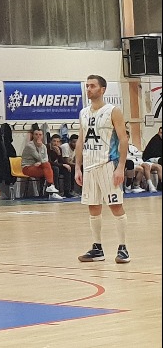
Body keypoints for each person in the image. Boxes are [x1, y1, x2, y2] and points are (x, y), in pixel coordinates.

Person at [75, 75, 130, 264]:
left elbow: (123, 139)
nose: (88, 89)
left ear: (103, 89)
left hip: (108, 164)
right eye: (87, 86)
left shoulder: (113, 111)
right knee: (93, 207)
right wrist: (77, 167)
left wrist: (120, 167)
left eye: (92, 86)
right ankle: (97, 248)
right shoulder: (83, 113)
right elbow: (80, 140)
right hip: (89, 167)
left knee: (115, 206)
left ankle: (123, 248)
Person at [21, 130, 65, 199]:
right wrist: (40, 148)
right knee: (49, 169)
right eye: (36, 134)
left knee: (49, 167)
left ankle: (51, 189)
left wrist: (41, 162)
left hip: (38, 167)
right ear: (33, 136)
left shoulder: (43, 146)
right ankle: (51, 189)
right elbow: (39, 157)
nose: (38, 136)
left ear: (42, 136)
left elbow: (46, 159)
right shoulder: (29, 146)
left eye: (40, 135)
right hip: (27, 167)